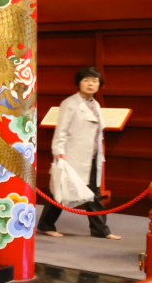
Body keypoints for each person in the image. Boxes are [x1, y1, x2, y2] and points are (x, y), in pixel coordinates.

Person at [39, 67, 119, 240]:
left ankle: (100, 230)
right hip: (72, 156)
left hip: (92, 157)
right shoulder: (70, 103)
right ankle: (46, 224)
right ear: (79, 83)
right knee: (60, 192)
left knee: (93, 194)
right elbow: (61, 130)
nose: (91, 84)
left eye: (95, 81)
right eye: (86, 80)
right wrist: (58, 151)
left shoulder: (95, 104)